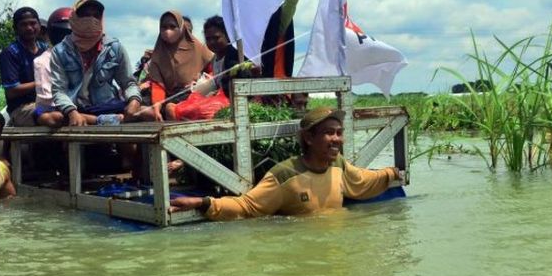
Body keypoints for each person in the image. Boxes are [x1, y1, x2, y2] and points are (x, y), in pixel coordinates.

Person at [171, 107, 403, 220]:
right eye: (329, 133)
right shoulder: (284, 175)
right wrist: (203, 202)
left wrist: (391, 173)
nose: (337, 139)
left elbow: (363, 181)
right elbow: (248, 207)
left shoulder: (338, 166)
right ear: (309, 138)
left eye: (339, 133)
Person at [50, 0, 142, 126]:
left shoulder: (114, 48)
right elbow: (59, 90)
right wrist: (71, 112)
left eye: (96, 16)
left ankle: (104, 121)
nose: (91, 20)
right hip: (75, 108)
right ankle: (101, 121)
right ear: (75, 17)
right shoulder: (60, 51)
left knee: (140, 117)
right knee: (55, 117)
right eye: (86, 15)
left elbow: (128, 83)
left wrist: (134, 101)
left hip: (107, 106)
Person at [144, 10, 214, 121]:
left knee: (171, 108)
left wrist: (201, 82)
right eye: (164, 27)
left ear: (181, 28)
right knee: (138, 107)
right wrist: (156, 106)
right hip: (168, 96)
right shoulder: (159, 54)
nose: (168, 31)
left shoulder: (198, 48)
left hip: (194, 93)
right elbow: (158, 85)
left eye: (172, 27)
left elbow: (212, 72)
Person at [0, 7, 48, 126]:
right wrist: (42, 83)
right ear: (16, 29)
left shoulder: (45, 49)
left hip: (47, 103)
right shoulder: (10, 53)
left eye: (33, 23)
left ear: (39, 25)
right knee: (51, 117)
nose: (29, 28)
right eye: (24, 24)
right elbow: (11, 91)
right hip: (23, 108)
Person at [202, 14, 260, 98]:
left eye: (216, 38)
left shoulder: (236, 56)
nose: (212, 42)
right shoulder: (214, 59)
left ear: (228, 36)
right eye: (208, 39)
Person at [260, 0, 303, 79]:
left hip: (275, 88)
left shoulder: (277, 20)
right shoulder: (244, 23)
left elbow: (291, 2)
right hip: (247, 88)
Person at [33, 7, 72, 128]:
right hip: (50, 109)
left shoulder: (83, 57)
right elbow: (47, 100)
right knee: (53, 116)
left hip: (74, 107)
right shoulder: (42, 61)